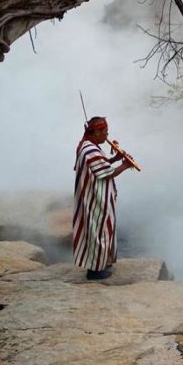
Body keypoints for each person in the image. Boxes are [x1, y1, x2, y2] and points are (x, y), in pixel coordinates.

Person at [73, 116, 134, 280]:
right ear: (97, 131)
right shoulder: (90, 150)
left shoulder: (89, 146)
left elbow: (103, 163)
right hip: (95, 198)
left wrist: (115, 158)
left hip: (98, 196)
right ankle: (95, 270)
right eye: (105, 132)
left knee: (103, 229)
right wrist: (125, 166)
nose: (107, 136)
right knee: (98, 230)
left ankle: (102, 262)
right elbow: (106, 172)